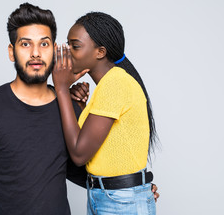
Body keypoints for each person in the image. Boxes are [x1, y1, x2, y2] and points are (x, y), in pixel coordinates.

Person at [0, 3, 159, 215]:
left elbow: (82, 167)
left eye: (44, 44)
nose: (36, 53)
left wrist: (133, 188)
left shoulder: (69, 107)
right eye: (26, 44)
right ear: (12, 52)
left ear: (55, 51)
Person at [52, 12, 159, 214]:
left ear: (100, 52)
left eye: (75, 46)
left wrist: (61, 90)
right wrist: (81, 107)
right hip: (107, 197)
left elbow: (79, 153)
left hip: (120, 202)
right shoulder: (107, 85)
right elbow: (106, 145)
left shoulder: (116, 83)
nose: (66, 53)